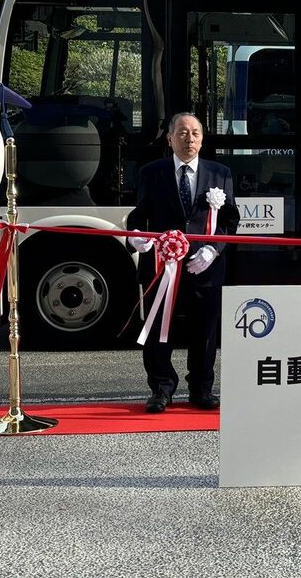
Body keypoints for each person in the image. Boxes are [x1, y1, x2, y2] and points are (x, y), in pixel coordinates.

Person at [127, 113, 239, 414]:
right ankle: (161, 388)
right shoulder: (152, 172)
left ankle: (201, 389)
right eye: (182, 133)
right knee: (158, 330)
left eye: (195, 133)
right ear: (170, 138)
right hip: (161, 267)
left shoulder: (221, 173)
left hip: (205, 268)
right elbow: (138, 218)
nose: (189, 139)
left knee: (205, 331)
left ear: (202, 138)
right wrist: (135, 238)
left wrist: (212, 250)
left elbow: (230, 221)